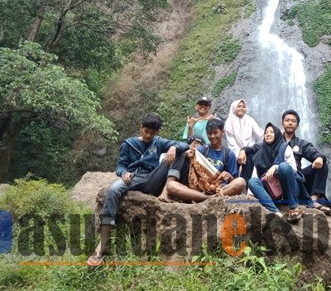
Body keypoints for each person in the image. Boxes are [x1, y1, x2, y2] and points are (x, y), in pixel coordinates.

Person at [87, 113, 189, 266]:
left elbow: (185, 145)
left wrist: (174, 146)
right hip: (132, 178)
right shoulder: (129, 144)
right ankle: (102, 244)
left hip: (152, 179)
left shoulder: (158, 142)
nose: (148, 135)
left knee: (181, 153)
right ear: (140, 128)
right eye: (146, 131)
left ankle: (167, 191)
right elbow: (120, 166)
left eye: (152, 133)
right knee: (113, 189)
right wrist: (123, 173)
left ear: (157, 133)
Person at [167, 118, 246, 202]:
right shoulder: (202, 150)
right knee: (171, 185)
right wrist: (187, 155)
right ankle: (209, 199)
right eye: (209, 133)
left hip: (220, 189)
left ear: (222, 132)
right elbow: (191, 167)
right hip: (198, 188)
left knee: (241, 182)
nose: (212, 136)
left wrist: (229, 177)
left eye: (215, 133)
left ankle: (207, 198)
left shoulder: (229, 154)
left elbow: (234, 180)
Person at [244, 122, 306, 221]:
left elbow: (293, 169)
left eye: (271, 132)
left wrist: (276, 167)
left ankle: (294, 207)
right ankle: (275, 212)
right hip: (272, 191)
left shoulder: (285, 147)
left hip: (289, 189)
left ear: (277, 134)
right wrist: (252, 193)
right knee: (252, 181)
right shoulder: (260, 152)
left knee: (284, 166)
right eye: (266, 132)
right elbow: (256, 174)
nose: (268, 134)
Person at [281, 109, 331, 215]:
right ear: (282, 123)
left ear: (297, 125)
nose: (290, 123)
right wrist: (245, 150)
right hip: (281, 179)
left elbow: (314, 153)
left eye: (293, 121)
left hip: (297, 179)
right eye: (287, 120)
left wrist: (319, 158)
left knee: (322, 165)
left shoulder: (301, 143)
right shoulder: (275, 141)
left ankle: (314, 200)